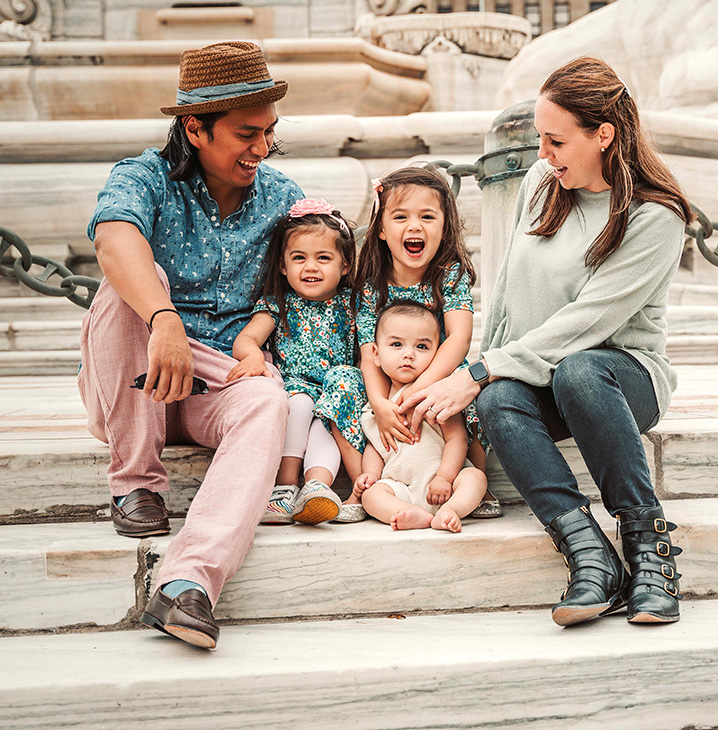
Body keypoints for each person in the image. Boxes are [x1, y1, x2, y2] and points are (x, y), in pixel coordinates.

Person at [401, 57, 694, 626]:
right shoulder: (542, 184)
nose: (542, 154)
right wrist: (483, 375)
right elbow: (509, 292)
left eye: (556, 140)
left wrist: (480, 369)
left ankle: (651, 552)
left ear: (603, 135)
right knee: (497, 400)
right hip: (543, 371)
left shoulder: (656, 217)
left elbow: (589, 321)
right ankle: (591, 557)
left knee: (579, 369)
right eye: (540, 137)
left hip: (620, 377)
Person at [78, 41, 303, 649]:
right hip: (134, 375)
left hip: (214, 384)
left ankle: (186, 584)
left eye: (269, 134)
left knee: (266, 403)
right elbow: (114, 237)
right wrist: (164, 318)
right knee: (125, 288)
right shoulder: (141, 175)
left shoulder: (283, 196)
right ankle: (136, 483)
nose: (262, 148)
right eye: (246, 134)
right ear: (194, 128)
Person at [323, 166, 497, 522]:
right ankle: (364, 483)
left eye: (427, 216)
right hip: (387, 378)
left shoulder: (449, 275)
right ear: (383, 229)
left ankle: (477, 477)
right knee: (340, 381)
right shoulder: (371, 282)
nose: (414, 226)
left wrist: (418, 388)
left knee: (477, 387)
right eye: (401, 216)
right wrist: (381, 404)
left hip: (437, 372)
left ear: (444, 226)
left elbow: (459, 340)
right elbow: (368, 352)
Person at [229, 198, 358, 526]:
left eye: (323, 258)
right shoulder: (278, 304)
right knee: (299, 406)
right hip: (295, 388)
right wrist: (255, 355)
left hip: (336, 393)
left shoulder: (353, 303)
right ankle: (284, 488)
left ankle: (317, 488)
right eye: (299, 258)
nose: (310, 267)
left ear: (344, 265)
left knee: (327, 426)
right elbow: (245, 340)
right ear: (284, 266)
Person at [352, 300, 488, 532]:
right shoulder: (378, 407)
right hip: (401, 488)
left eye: (422, 347)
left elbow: (457, 439)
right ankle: (410, 514)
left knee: (475, 478)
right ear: (376, 354)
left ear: (437, 353)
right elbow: (376, 445)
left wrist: (444, 478)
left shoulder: (435, 395)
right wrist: (370, 474)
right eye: (396, 344)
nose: (409, 355)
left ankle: (451, 510)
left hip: (447, 483)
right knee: (372, 496)